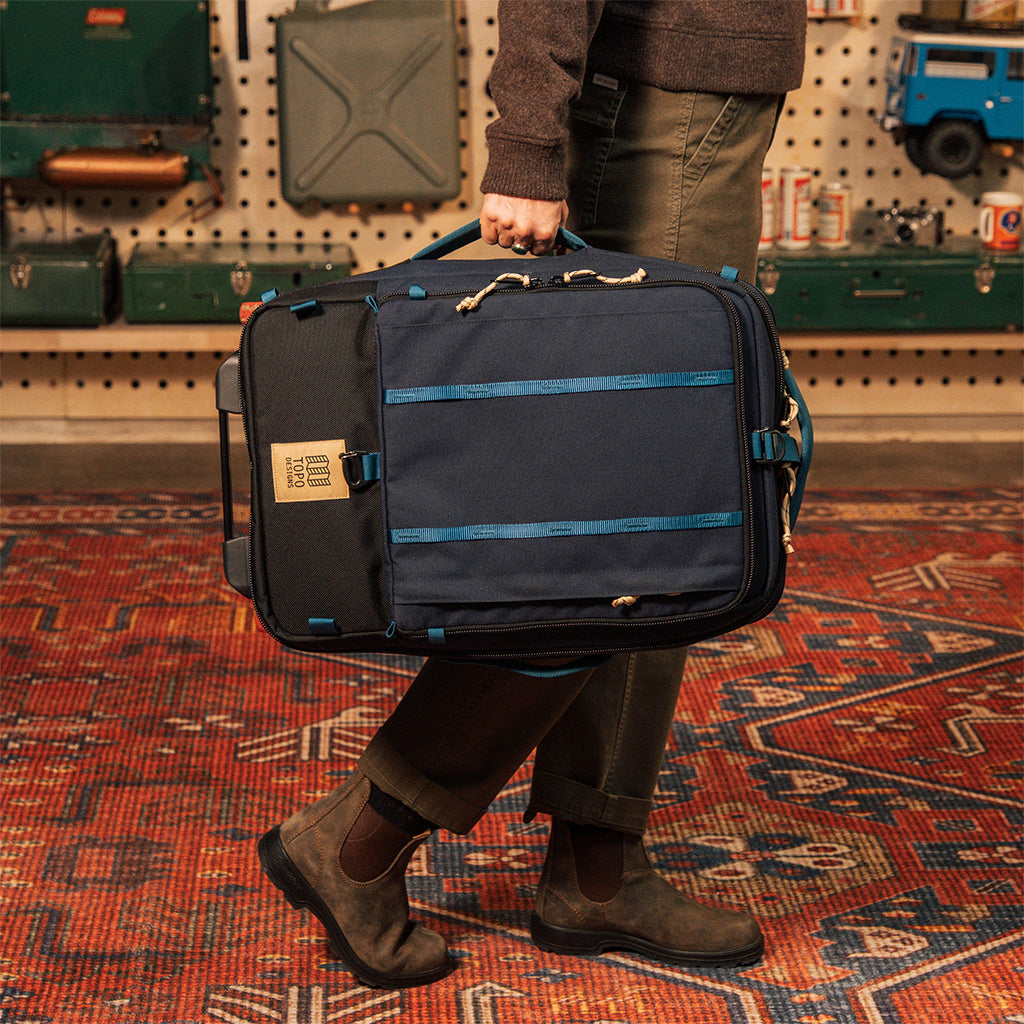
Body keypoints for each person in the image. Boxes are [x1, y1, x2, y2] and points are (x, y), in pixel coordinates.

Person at [258, 0, 807, 990]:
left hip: (701, 120)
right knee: (647, 526)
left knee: (663, 522)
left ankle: (597, 864)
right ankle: (360, 835)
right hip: (663, 127)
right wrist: (525, 145)